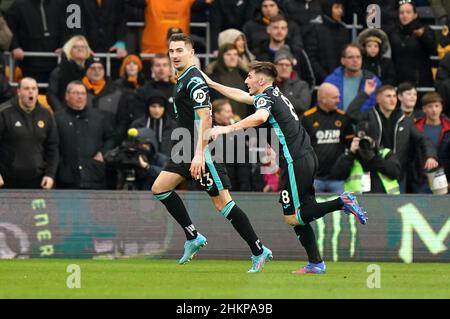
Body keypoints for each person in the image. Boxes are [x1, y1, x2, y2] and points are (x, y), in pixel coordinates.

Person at [206, 61, 368, 274]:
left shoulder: (265, 98)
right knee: (301, 214)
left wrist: (227, 129)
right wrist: (212, 84)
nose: (246, 81)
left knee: (292, 216)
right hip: (306, 157)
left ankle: (342, 201)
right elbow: (241, 96)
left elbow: (260, 117)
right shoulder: (274, 94)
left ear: (261, 80)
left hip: (294, 160)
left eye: (249, 76)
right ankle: (316, 263)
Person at [151, 34, 273, 273]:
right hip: (185, 147)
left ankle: (259, 250)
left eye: (179, 50)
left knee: (223, 204)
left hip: (201, 150)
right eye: (171, 51)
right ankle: (193, 236)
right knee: (160, 188)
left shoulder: (194, 79)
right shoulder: (182, 77)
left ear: (191, 53)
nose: (174, 55)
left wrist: (199, 154)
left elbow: (205, 116)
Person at [346, 84, 439, 193]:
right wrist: (365, 93)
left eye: (394, 96)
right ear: (378, 99)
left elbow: (423, 139)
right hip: (374, 172)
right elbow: (350, 113)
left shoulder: (405, 120)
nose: (392, 100)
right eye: (388, 96)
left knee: (396, 207)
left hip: (396, 172)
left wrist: (431, 156)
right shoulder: (368, 117)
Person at [55, 81, 115, 189]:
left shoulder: (99, 117)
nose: (80, 97)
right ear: (67, 96)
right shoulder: (57, 118)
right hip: (67, 179)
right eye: (76, 93)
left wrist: (103, 153)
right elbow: (52, 144)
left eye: (83, 94)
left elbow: (111, 139)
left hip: (94, 176)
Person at [0, 77, 59, 189]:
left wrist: (50, 174)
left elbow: (53, 147)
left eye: (34, 88)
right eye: (26, 88)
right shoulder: (4, 113)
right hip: (7, 179)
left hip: (37, 180)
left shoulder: (46, 115)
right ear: (18, 92)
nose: (31, 91)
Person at [302, 83, 353, 193]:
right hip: (314, 178)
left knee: (339, 210)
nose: (338, 100)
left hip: (337, 179)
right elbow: (301, 147)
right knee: (314, 208)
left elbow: (351, 145)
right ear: (323, 99)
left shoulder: (343, 118)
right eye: (335, 97)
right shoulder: (307, 118)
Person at [333, 121, 402, 194]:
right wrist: (350, 153)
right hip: (357, 203)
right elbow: (337, 174)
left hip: (386, 202)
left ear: (376, 141)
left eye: (368, 141)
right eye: (362, 141)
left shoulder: (385, 154)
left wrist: (373, 158)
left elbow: (395, 173)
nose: (365, 144)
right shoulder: (351, 157)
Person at [5, 0, 65, 83]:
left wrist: (63, 46)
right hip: (29, 63)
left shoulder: (60, 4)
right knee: (32, 92)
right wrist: (15, 47)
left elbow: (67, 29)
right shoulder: (18, 5)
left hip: (56, 62)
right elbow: (9, 29)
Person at [388, 0, 436, 88]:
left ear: (415, 15)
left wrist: (423, 36)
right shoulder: (392, 32)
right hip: (399, 81)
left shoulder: (425, 30)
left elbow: (434, 50)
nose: (404, 15)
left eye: (408, 12)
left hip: (420, 81)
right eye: (401, 13)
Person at [303, 0, 351, 84]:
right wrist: (325, 77)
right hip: (321, 81)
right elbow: (311, 58)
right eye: (336, 7)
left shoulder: (344, 30)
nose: (340, 11)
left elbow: (347, 55)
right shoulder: (315, 29)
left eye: (341, 8)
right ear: (328, 9)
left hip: (343, 79)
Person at [324, 44, 381, 112]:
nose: (355, 60)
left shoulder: (373, 81)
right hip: (337, 121)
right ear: (343, 61)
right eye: (351, 57)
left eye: (358, 57)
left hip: (364, 121)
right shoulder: (331, 81)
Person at [212, 99, 252, 191]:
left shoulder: (237, 132)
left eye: (231, 111)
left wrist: (244, 186)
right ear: (216, 114)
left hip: (233, 185)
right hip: (213, 184)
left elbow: (243, 162)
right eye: (227, 112)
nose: (231, 115)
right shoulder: (207, 131)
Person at [413, 92, 450, 192]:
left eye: (437, 106)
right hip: (420, 180)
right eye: (430, 106)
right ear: (424, 109)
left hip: (444, 179)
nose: (434, 110)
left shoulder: (448, 127)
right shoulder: (415, 127)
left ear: (441, 107)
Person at [47, 35, 93, 112]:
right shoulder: (58, 72)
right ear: (69, 50)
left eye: (83, 47)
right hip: (65, 112)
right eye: (75, 47)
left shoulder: (93, 69)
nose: (80, 49)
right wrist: (62, 113)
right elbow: (51, 96)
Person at [206, 43, 249, 120]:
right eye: (228, 54)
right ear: (221, 57)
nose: (232, 58)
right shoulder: (212, 76)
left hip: (244, 122)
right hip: (221, 122)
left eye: (235, 54)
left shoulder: (244, 75)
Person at [131, 91, 177, 158]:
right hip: (142, 163)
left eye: (160, 106)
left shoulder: (173, 126)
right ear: (148, 107)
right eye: (153, 106)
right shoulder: (137, 124)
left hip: (167, 164)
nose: (157, 110)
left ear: (165, 108)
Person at [274, 48, 311, 115]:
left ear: (292, 67)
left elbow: (303, 106)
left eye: (287, 65)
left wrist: (276, 99)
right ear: (275, 66)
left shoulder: (302, 85)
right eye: (281, 64)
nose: (284, 67)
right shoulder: (269, 84)